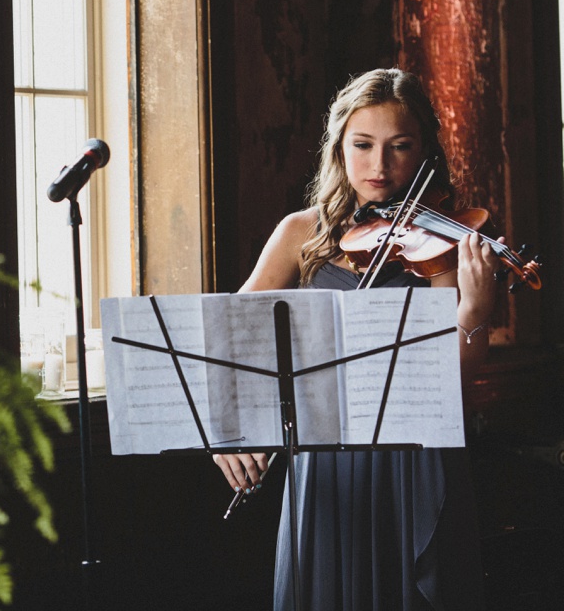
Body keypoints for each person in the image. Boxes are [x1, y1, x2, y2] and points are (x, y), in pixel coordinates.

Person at [212, 68, 502, 610]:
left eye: (400, 147)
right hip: (325, 461)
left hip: (413, 459)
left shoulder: (439, 236)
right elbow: (230, 333)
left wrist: (475, 311)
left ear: (423, 154)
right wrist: (230, 428)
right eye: (363, 145)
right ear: (339, 146)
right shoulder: (302, 232)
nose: (379, 165)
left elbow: (455, 374)